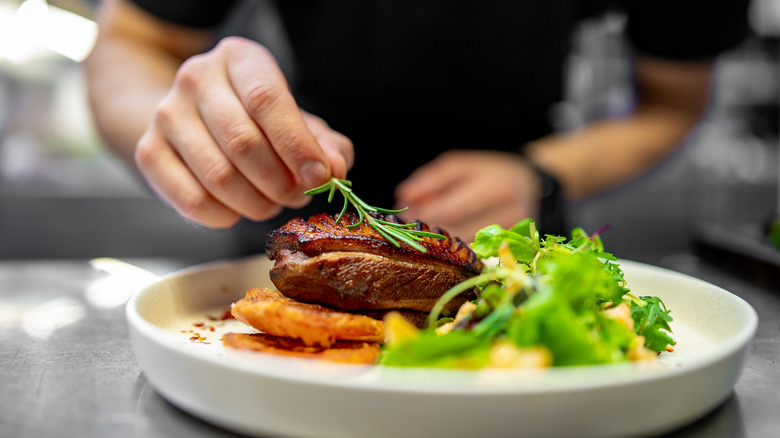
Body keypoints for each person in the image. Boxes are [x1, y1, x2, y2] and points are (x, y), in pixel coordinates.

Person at [84, 0, 751, 251]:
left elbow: (673, 99)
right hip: (293, 212)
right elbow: (135, 39)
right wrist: (189, 129)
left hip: (510, 236)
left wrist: (545, 174)